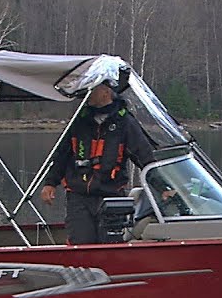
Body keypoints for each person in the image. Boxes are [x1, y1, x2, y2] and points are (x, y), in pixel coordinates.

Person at [39, 81, 156, 244]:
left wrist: (161, 186)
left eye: (92, 90)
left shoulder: (125, 122)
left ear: (105, 92)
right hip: (78, 195)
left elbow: (145, 157)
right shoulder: (79, 120)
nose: (87, 94)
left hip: (111, 194)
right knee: (80, 242)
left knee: (111, 245)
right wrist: (50, 183)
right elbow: (62, 155)